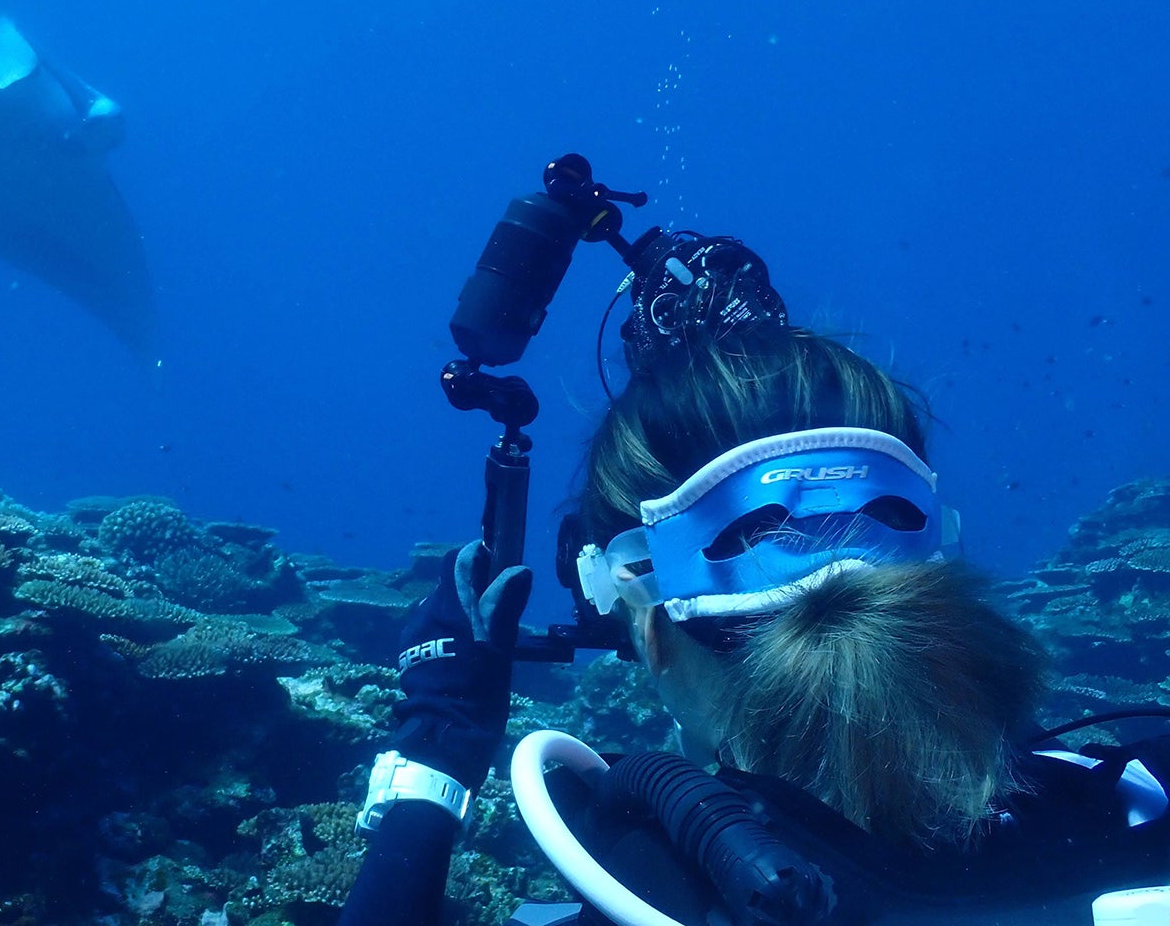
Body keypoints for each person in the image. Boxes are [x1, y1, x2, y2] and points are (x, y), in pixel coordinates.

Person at [340, 275, 1169, 926]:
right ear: (932, 569)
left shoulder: (651, 890)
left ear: (642, 618)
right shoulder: (1142, 797)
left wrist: (431, 764)